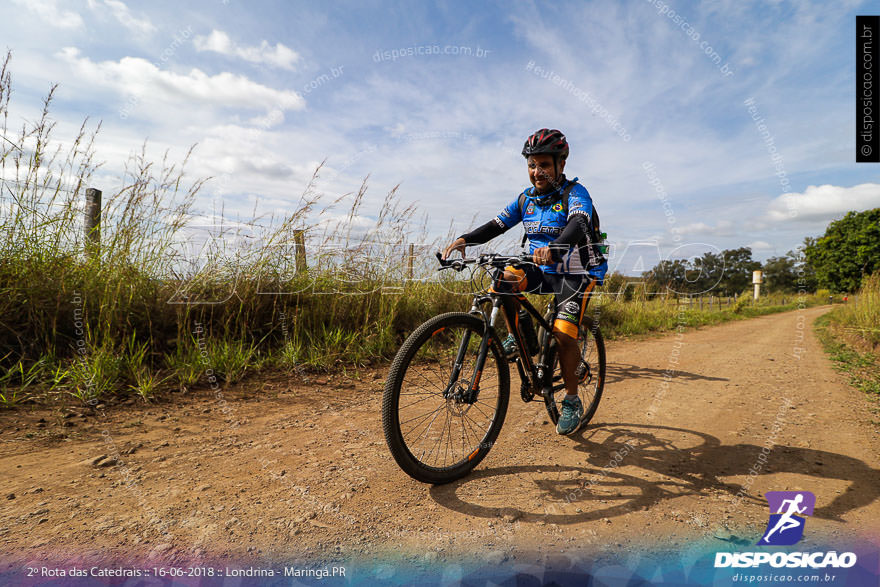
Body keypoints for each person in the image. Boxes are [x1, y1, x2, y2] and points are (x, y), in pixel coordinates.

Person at [441, 128, 608, 435]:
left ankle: (571, 400)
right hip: (539, 267)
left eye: (544, 164)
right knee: (502, 280)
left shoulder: (575, 193)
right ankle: (524, 340)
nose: (537, 172)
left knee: (564, 333)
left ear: (561, 164)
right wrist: (465, 239)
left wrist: (556, 246)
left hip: (576, 271)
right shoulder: (526, 199)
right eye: (532, 165)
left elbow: (579, 222)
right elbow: (496, 225)